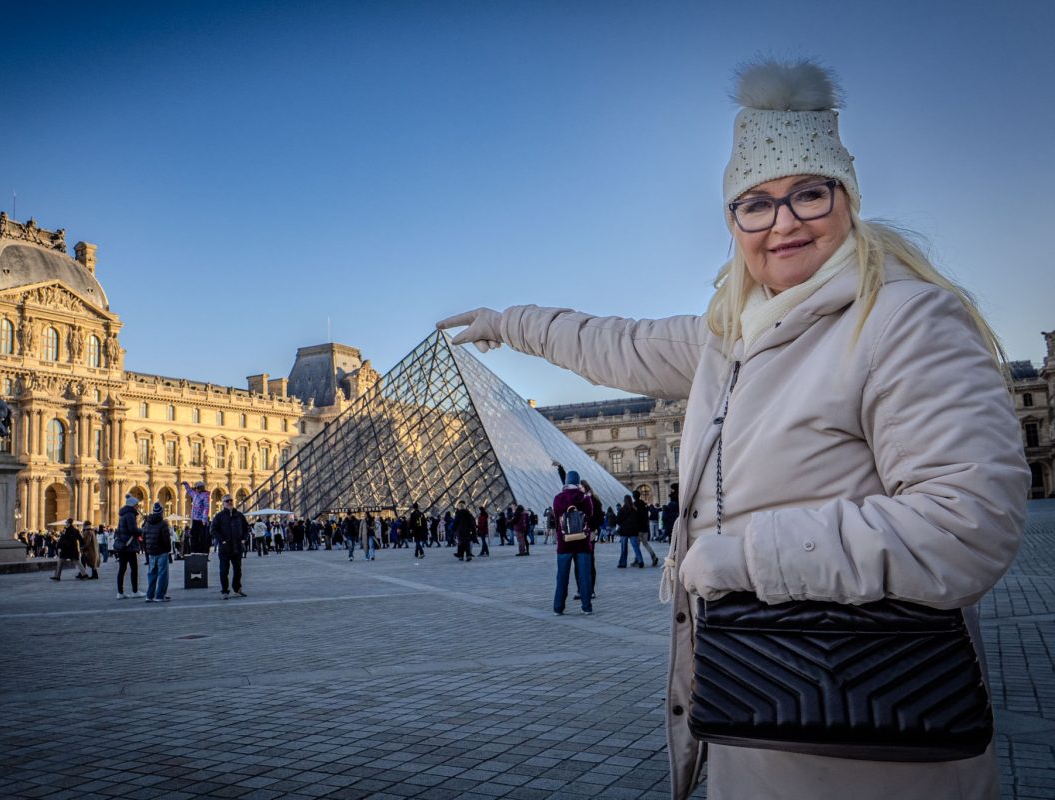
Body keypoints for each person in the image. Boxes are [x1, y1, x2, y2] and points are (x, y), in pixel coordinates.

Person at [437, 57, 1027, 800]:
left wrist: (741, 558)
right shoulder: (730, 336)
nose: (783, 221)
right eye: (756, 203)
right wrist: (508, 323)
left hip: (875, 734)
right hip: (755, 710)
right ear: (733, 221)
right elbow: (612, 342)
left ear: (847, 200)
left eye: (808, 194)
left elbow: (967, 526)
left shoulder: (907, 322)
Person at [551, 470, 596, 615]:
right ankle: (586, 607)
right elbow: (589, 515)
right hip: (582, 542)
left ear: (565, 483)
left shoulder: (558, 498)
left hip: (565, 543)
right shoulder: (585, 498)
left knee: (562, 576)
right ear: (578, 483)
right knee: (584, 576)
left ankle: (558, 608)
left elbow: (557, 515)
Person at [210, 495, 249, 598]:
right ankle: (224, 591)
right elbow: (213, 530)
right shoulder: (219, 516)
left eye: (231, 500)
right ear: (223, 503)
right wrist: (222, 540)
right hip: (225, 549)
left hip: (237, 547)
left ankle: (237, 589)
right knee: (224, 571)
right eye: (227, 501)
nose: (230, 502)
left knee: (238, 571)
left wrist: (244, 539)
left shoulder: (239, 515)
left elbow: (246, 528)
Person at [143, 502, 172, 602]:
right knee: (162, 574)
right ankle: (160, 595)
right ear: (161, 512)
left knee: (152, 574)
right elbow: (166, 539)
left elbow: (144, 537)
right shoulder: (163, 523)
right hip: (161, 551)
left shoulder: (148, 523)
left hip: (151, 552)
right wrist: (168, 549)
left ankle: (149, 595)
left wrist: (147, 549)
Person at [114, 495, 142, 599]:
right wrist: (141, 531)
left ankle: (120, 593)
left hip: (122, 545)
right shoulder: (130, 515)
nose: (138, 507)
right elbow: (133, 530)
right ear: (133, 505)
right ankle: (135, 591)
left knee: (122, 569)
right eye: (137, 505)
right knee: (134, 568)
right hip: (129, 546)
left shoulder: (123, 515)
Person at [181, 480, 210, 553]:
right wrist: (186, 485)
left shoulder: (205, 496)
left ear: (201, 488)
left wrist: (204, 518)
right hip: (195, 519)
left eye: (197, 488)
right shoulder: (195, 494)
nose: (195, 489)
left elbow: (206, 507)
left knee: (202, 536)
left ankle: (201, 551)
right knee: (194, 535)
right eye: (195, 488)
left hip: (201, 520)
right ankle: (194, 550)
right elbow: (190, 491)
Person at [615, 495, 644, 568]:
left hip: (624, 531)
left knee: (624, 548)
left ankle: (623, 563)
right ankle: (640, 561)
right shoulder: (635, 509)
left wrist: (623, 524)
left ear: (624, 501)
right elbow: (639, 519)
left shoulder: (621, 510)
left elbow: (618, 521)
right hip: (633, 530)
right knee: (636, 547)